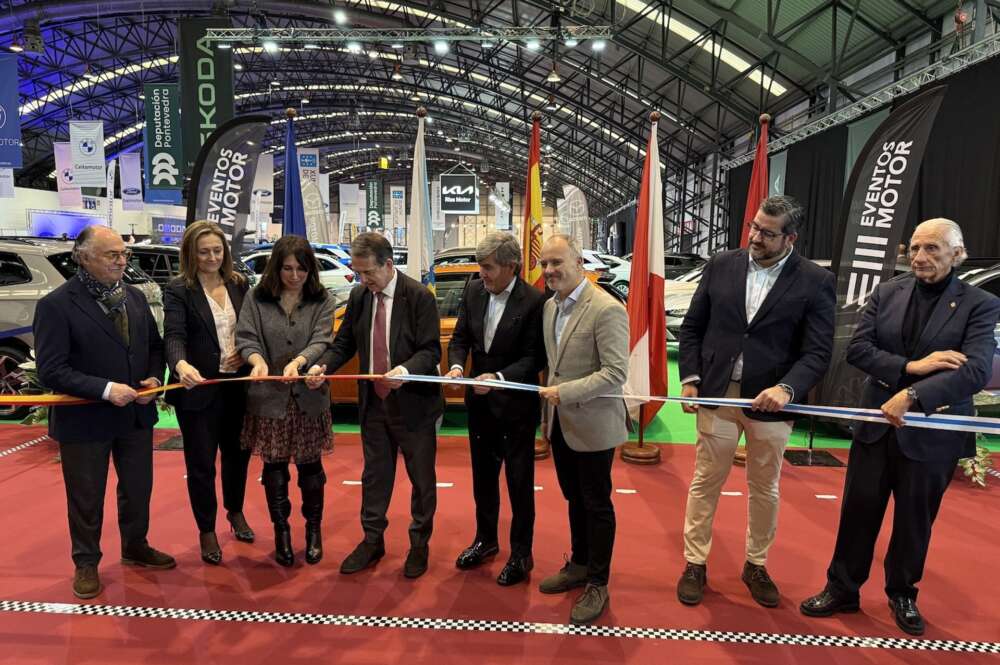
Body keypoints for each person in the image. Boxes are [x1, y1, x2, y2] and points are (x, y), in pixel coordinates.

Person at [801, 219, 1000, 636]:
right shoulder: (888, 292)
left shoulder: (980, 304)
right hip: (877, 428)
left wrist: (911, 395)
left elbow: (977, 371)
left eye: (932, 249)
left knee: (915, 520)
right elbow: (858, 349)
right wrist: (911, 368)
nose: (920, 257)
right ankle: (842, 587)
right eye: (914, 248)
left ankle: (902, 593)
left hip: (933, 431)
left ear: (957, 254)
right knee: (858, 511)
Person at [676, 195, 835, 608]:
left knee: (765, 487)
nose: (755, 237)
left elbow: (818, 352)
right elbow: (693, 328)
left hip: (772, 403)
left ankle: (756, 564)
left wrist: (786, 389)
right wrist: (691, 379)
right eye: (753, 227)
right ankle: (695, 563)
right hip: (717, 393)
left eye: (767, 232)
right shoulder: (721, 265)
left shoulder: (815, 281)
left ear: (790, 238)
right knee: (706, 480)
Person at [34, 225, 175, 600]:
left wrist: (152, 379)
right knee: (85, 496)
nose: (121, 261)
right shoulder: (56, 305)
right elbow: (50, 368)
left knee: (137, 488)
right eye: (111, 254)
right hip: (85, 419)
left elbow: (155, 347)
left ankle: (135, 545)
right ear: (83, 257)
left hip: (134, 417)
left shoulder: (134, 297)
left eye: (123, 254)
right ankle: (86, 562)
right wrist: (106, 389)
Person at [306, 232, 443, 579]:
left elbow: (431, 351)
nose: (363, 280)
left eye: (368, 273)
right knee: (375, 477)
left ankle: (419, 544)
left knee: (421, 480)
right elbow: (344, 343)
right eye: (358, 272)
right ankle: (372, 540)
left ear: (388, 264)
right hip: (374, 405)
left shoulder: (418, 297)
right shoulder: (360, 297)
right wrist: (325, 366)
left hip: (414, 405)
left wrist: (407, 371)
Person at [535, 234, 628, 625]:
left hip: (593, 425)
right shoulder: (549, 308)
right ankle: (578, 562)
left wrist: (566, 393)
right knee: (574, 498)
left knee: (597, 503)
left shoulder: (606, 309)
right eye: (545, 264)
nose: (550, 271)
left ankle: (597, 582)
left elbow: (615, 373)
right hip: (560, 424)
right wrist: (549, 413)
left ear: (579, 263)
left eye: (558, 262)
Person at [445, 233, 546, 586]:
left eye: (487, 267)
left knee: (519, 484)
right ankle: (486, 541)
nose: (481, 273)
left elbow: (535, 358)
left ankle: (521, 554)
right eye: (480, 266)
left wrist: (500, 376)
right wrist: (457, 367)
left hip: (516, 408)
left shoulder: (534, 301)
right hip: (480, 406)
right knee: (483, 481)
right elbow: (460, 339)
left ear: (511, 266)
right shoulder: (473, 291)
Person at [236, 235, 334, 568]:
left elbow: (323, 339)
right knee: (274, 468)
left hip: (309, 398)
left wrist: (301, 362)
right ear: (275, 268)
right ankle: (281, 531)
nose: (294, 276)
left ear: (311, 270)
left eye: (301, 269)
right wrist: (256, 361)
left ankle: (313, 530)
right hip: (268, 400)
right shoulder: (255, 298)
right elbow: (246, 337)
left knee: (310, 468)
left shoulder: (322, 301)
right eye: (287, 269)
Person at [163, 221, 253, 566]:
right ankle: (206, 529)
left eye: (217, 250)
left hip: (238, 388)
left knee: (238, 456)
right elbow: (173, 335)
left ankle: (235, 510)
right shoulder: (178, 290)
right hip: (197, 392)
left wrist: (247, 352)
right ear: (191, 254)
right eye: (204, 251)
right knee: (201, 464)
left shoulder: (240, 284)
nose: (212, 257)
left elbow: (252, 330)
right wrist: (180, 365)